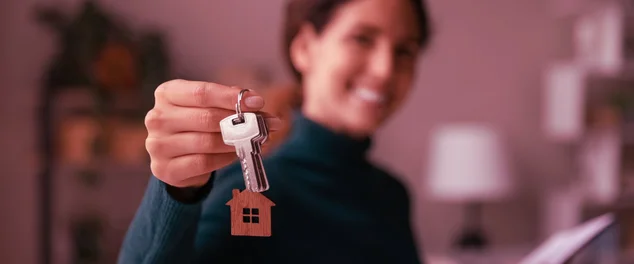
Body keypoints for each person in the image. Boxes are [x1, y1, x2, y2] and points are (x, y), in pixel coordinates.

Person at [117, 0, 433, 263]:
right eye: (362, 38)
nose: (385, 69)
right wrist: (177, 188)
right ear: (304, 47)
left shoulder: (391, 195)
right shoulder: (250, 191)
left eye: (405, 50)